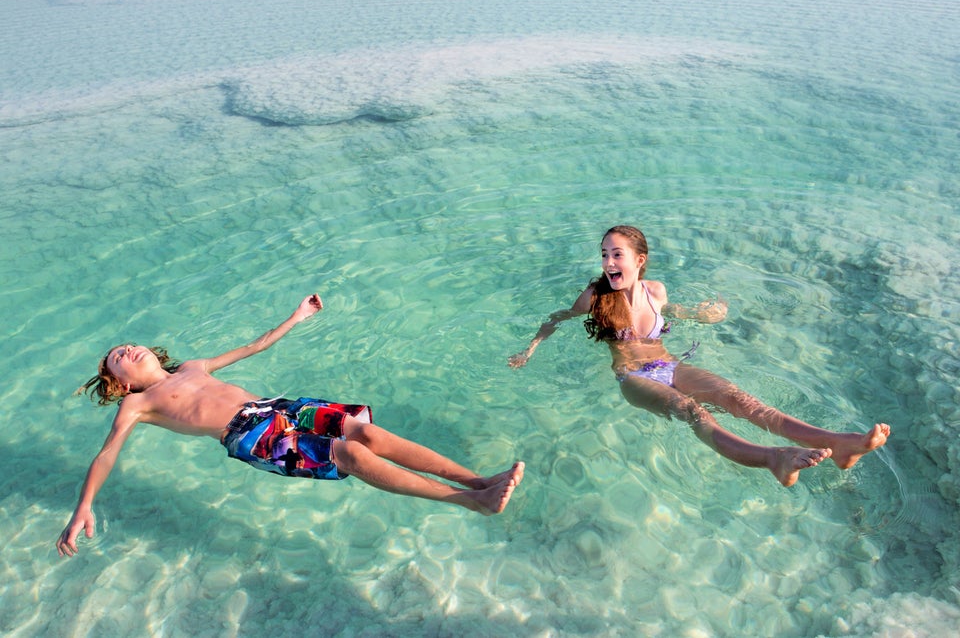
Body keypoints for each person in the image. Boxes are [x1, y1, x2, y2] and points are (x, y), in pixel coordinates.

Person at [57, 294, 524, 557]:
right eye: (118, 357)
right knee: (351, 455)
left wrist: (296, 317)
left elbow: (254, 346)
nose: (128, 351)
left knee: (369, 433)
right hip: (251, 437)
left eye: (129, 345)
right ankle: (473, 502)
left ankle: (480, 480)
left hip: (278, 406)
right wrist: (83, 506)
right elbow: (108, 452)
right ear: (118, 383)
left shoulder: (195, 366)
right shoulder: (137, 406)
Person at [509, 225, 888, 487]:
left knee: (739, 399)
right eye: (604, 254)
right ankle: (772, 458)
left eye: (617, 254)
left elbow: (670, 313)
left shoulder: (656, 291)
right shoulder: (595, 296)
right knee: (694, 412)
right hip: (634, 377)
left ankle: (839, 443)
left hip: (670, 365)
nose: (608, 262)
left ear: (640, 260)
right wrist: (530, 349)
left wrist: (700, 315)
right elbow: (558, 318)